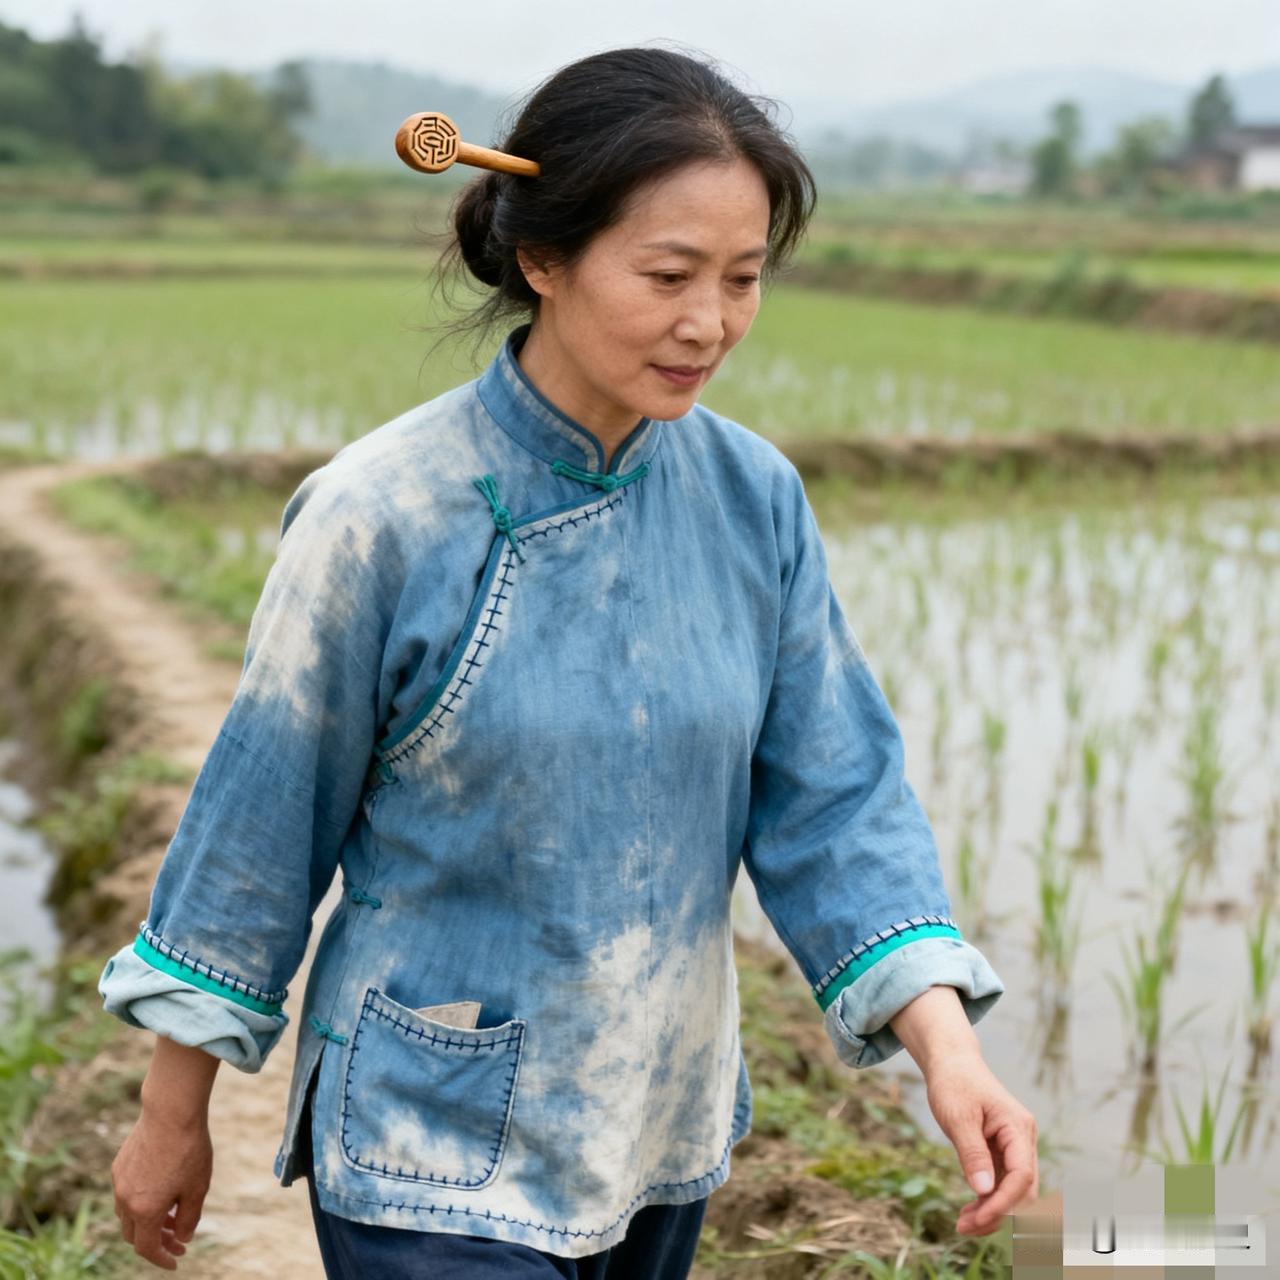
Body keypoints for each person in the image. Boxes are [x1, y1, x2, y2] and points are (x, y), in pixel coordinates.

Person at [98, 43, 1038, 1278]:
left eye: (743, 278)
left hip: (657, 1121)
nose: (708, 323)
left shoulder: (752, 498)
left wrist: (945, 1046)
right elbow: (260, 827)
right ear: (542, 257)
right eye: (667, 274)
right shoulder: (382, 513)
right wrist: (173, 1116)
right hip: (427, 1133)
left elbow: (833, 796)